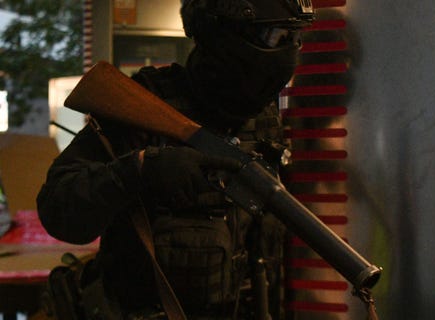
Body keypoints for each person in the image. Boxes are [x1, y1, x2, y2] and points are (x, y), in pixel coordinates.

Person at [36, 0, 314, 319]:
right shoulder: (143, 107)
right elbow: (58, 208)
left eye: (294, 37)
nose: (288, 52)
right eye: (274, 36)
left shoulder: (268, 120)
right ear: (218, 33)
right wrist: (140, 170)